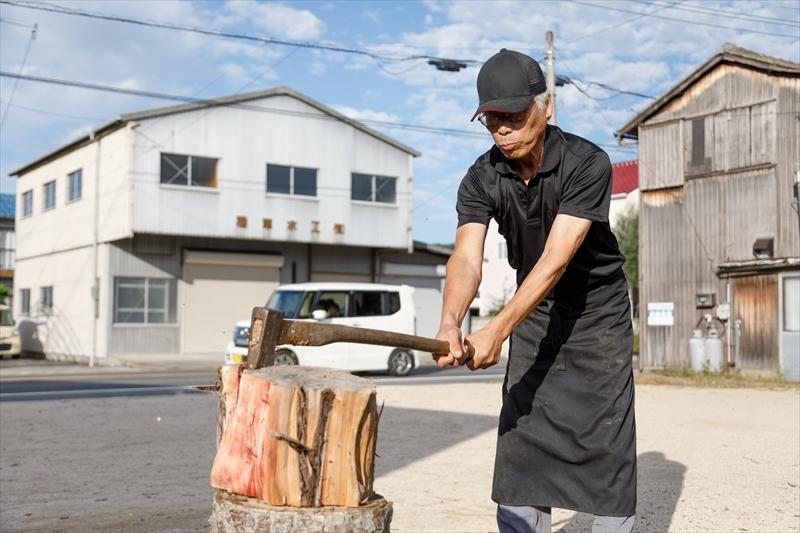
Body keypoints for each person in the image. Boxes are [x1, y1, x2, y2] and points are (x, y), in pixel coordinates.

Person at [434, 49, 637, 533]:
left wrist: (497, 329)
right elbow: (466, 257)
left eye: (513, 115)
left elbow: (556, 260)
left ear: (544, 107)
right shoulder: (481, 178)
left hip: (596, 317)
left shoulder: (588, 163)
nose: (502, 130)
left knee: (604, 447)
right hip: (535, 315)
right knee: (521, 438)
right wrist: (450, 323)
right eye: (492, 120)